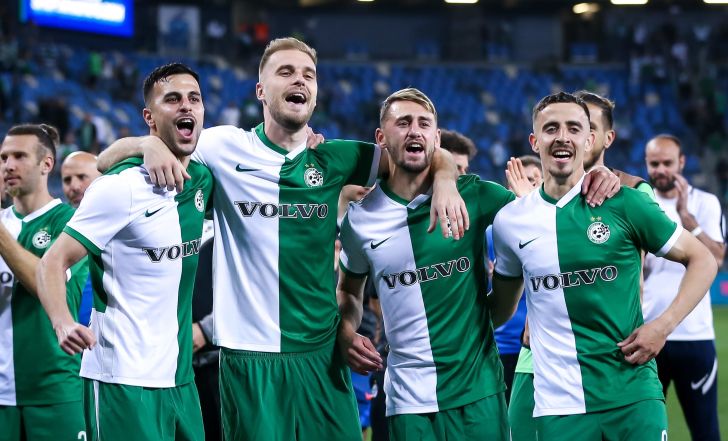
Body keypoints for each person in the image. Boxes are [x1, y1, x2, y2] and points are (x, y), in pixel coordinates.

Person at [96, 37, 471, 441]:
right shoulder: (222, 147)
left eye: (308, 74)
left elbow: (421, 152)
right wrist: (147, 143)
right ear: (261, 90)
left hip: (322, 356)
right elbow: (104, 160)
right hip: (249, 358)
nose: (300, 80)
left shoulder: (335, 157)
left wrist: (446, 179)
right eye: (286, 72)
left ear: (315, 93)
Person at [490, 91, 718, 441]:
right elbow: (499, 309)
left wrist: (663, 326)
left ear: (589, 140)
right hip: (558, 403)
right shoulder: (511, 221)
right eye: (551, 128)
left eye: (573, 128)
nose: (562, 137)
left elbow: (703, 259)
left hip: (632, 394)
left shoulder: (626, 202)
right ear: (534, 142)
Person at [36, 63, 213, 441]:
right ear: (149, 117)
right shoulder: (120, 188)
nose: (186, 106)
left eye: (194, 99)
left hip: (181, 379)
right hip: (122, 379)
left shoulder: (202, 178)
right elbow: (52, 261)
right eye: (173, 99)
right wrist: (62, 322)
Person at [337, 88, 513, 440]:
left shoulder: (476, 195)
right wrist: (345, 331)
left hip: (478, 393)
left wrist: (607, 177)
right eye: (403, 122)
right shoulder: (360, 221)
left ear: (436, 137)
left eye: (423, 123)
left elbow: (547, 219)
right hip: (407, 400)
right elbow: (349, 290)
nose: (414, 131)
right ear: (381, 138)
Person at [0, 123, 88, 441]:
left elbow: (48, 287)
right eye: (3, 158)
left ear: (46, 164)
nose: (8, 165)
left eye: (19, 156)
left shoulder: (72, 222)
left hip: (54, 391)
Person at [642, 134, 726, 441]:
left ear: (681, 162)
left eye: (667, 163)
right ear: (646, 164)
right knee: (645, 431)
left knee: (706, 432)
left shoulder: (705, 202)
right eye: (654, 164)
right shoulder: (641, 205)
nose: (661, 170)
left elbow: (717, 259)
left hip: (694, 335)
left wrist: (688, 219)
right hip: (648, 334)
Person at [60, 151, 101, 326]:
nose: (74, 186)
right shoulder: (60, 227)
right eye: (67, 180)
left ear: (102, 178)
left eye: (82, 177)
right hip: (70, 334)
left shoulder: (127, 224)